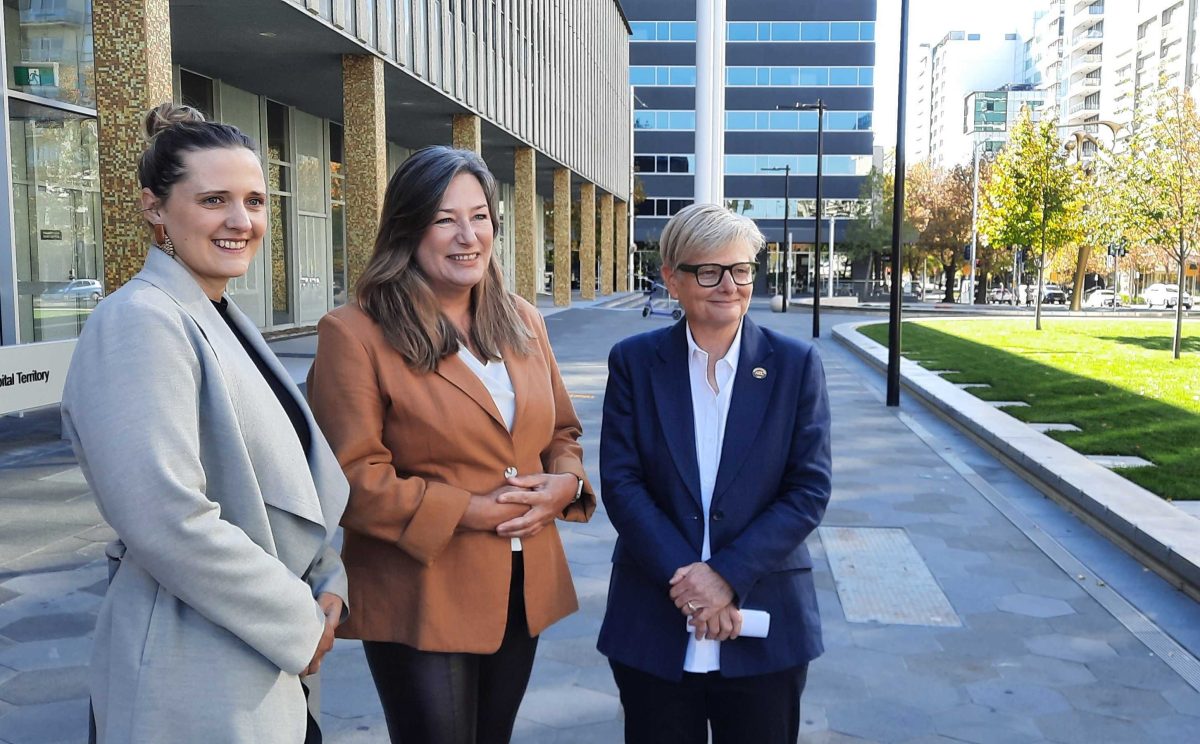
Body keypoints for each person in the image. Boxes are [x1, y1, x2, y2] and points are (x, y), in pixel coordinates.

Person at [60, 103, 348, 744]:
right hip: (191, 668)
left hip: (259, 658)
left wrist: (328, 582)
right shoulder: (140, 319)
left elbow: (294, 488)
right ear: (155, 208)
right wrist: (299, 623)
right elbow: (167, 518)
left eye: (255, 200)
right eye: (214, 199)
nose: (241, 221)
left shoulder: (220, 316)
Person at [307, 145, 594, 744]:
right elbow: (352, 477)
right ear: (408, 228)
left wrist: (565, 483)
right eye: (444, 219)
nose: (468, 236)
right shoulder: (354, 333)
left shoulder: (521, 318)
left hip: (521, 585)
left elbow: (561, 432)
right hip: (424, 589)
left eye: (480, 216)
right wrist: (469, 510)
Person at [598, 203, 832, 743]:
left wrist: (726, 576)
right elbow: (622, 481)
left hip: (764, 619)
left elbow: (808, 489)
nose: (729, 285)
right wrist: (690, 583)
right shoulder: (633, 362)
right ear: (671, 280)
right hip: (654, 621)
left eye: (741, 269)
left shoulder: (796, 365)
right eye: (709, 271)